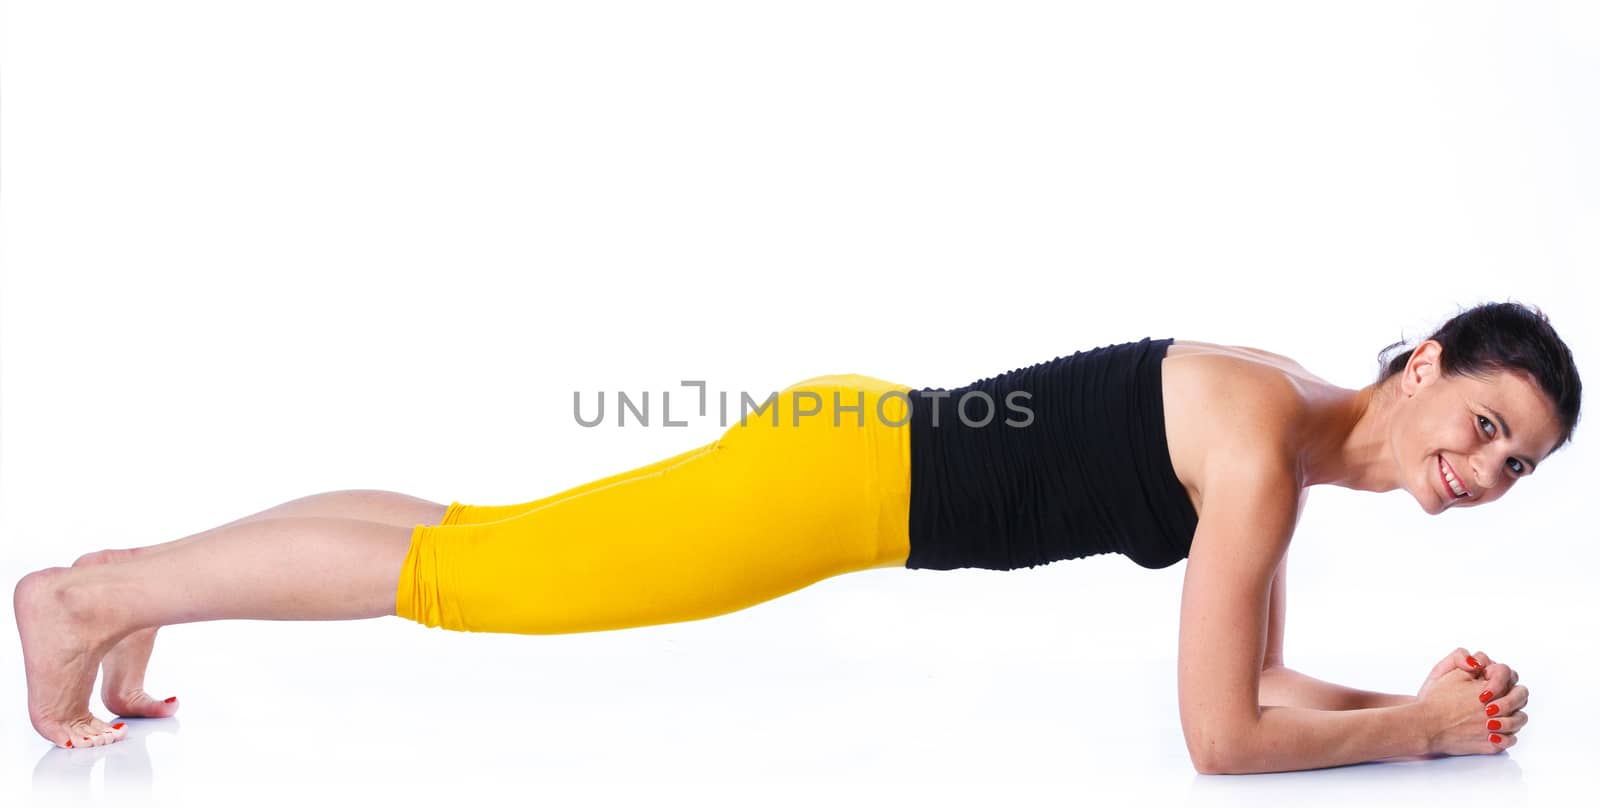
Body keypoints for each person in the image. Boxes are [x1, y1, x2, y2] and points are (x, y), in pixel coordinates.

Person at [14, 301, 1580, 773]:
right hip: (833, 486)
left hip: (845, 445)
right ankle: (89, 597)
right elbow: (1219, 738)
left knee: (475, 534)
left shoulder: (1287, 435)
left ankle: (147, 589)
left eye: (1518, 466)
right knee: (475, 576)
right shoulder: (1256, 451)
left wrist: (1399, 699)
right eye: (1487, 421)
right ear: (1426, 360)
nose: (1484, 468)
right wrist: (1431, 736)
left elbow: (1267, 672)